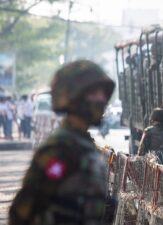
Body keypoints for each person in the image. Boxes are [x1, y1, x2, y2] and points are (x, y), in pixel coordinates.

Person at [8, 60, 116, 225]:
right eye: (93, 93)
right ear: (73, 96)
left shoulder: (83, 145)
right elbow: (24, 210)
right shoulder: (61, 149)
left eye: (103, 94)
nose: (101, 99)